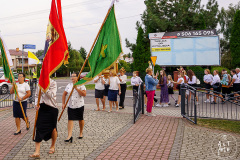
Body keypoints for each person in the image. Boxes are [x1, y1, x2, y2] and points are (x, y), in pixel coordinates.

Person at [30, 78, 58, 158]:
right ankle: (37, 152)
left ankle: (52, 145)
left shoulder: (53, 83)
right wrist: (36, 104)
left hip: (51, 108)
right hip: (42, 109)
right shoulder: (39, 82)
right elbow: (36, 95)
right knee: (39, 127)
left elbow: (51, 96)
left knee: (53, 129)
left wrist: (45, 87)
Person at [62, 72, 86, 143]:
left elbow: (84, 94)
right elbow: (64, 94)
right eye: (71, 76)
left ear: (77, 77)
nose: (72, 78)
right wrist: (63, 103)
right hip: (71, 105)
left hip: (79, 105)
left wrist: (76, 88)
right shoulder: (69, 85)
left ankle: (81, 132)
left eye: (74, 76)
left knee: (80, 119)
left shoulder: (81, 84)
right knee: (70, 119)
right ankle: (69, 136)